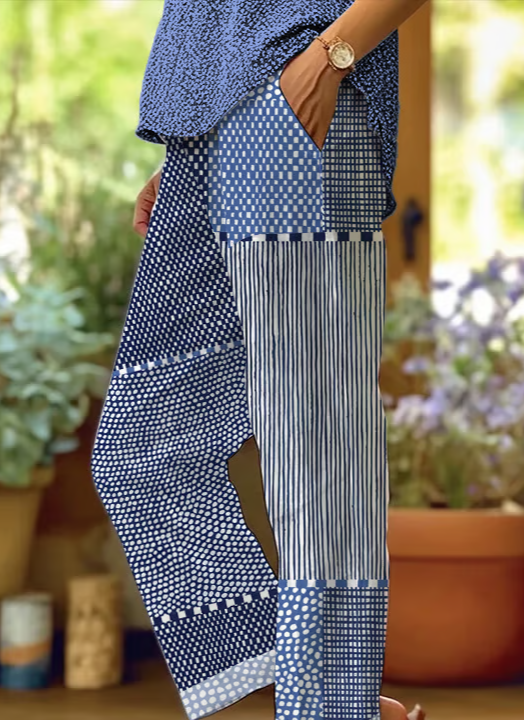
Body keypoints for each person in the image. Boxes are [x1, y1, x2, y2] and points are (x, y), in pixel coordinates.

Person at [92, 1, 429, 719]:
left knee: (317, 455)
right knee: (139, 449)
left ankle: (333, 702)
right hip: (211, 126)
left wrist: (330, 60)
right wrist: (192, 143)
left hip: (301, 96)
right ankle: (332, 692)